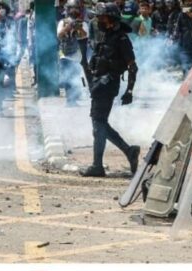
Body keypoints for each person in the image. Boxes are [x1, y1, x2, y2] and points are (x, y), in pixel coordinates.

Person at [80, 3, 140, 178]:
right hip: (99, 85)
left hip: (108, 85)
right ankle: (129, 151)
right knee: (100, 124)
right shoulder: (104, 36)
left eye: (102, 17)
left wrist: (129, 91)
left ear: (111, 19)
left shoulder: (121, 39)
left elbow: (133, 67)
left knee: (98, 124)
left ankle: (98, 165)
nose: (98, 19)